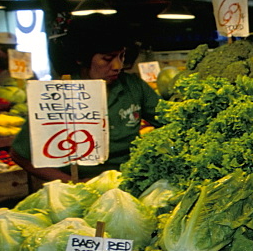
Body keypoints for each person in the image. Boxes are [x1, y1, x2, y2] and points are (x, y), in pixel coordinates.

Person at [9, 22, 160, 182]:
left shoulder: (133, 86)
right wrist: (73, 183)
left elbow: (169, 120)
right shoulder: (58, 94)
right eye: (107, 58)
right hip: (79, 184)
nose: (117, 66)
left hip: (129, 180)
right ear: (82, 59)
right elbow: (20, 154)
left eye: (121, 56)